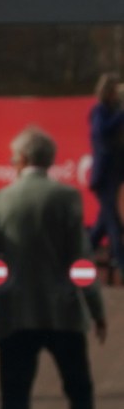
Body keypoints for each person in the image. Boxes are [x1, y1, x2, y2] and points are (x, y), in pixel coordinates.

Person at [0, 125, 113, 409]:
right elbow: (80, 260)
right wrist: (96, 309)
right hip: (64, 315)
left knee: (14, 399)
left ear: (22, 159)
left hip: (15, 316)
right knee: (80, 394)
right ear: (49, 158)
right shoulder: (66, 198)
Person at [87, 72, 124, 277]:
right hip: (104, 177)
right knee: (113, 224)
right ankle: (122, 263)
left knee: (103, 223)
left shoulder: (112, 111)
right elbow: (101, 134)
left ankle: (80, 258)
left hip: (114, 175)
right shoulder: (100, 111)